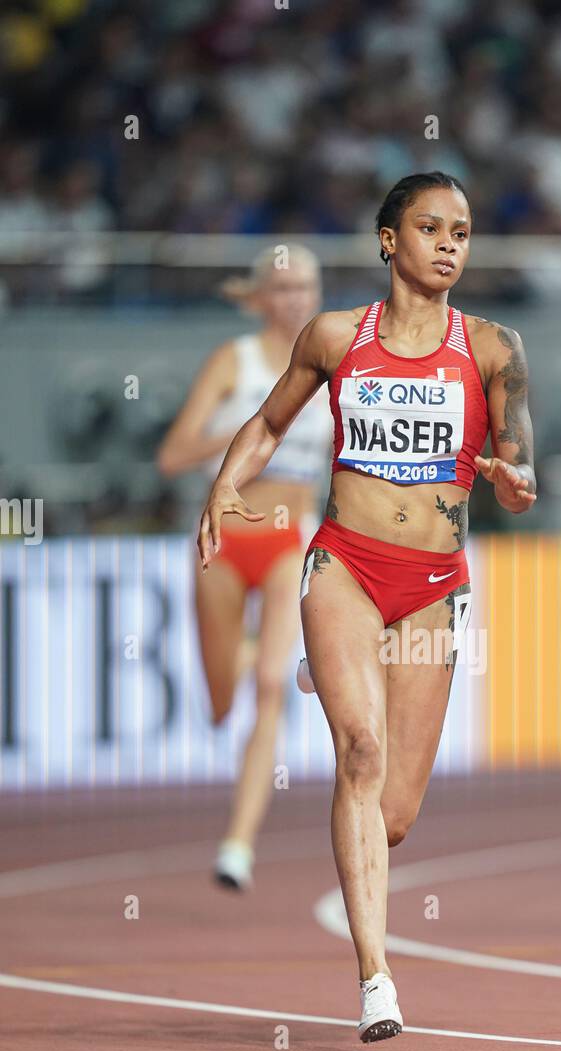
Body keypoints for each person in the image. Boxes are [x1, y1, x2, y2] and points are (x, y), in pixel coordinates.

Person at [198, 171, 537, 1040]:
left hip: (432, 586)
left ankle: (333, 675)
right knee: (359, 751)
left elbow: (520, 455)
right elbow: (271, 422)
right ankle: (375, 978)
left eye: (462, 230)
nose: (451, 244)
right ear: (390, 240)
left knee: (391, 814)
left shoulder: (495, 347)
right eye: (431, 228)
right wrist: (224, 487)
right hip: (345, 563)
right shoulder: (336, 336)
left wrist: (517, 478)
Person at [159, 245, 332, 890]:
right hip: (223, 540)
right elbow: (173, 456)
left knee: (268, 687)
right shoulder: (234, 361)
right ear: (261, 296)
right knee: (222, 699)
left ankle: (238, 845)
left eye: (306, 287)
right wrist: (244, 428)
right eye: (283, 288)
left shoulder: (332, 366)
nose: (295, 299)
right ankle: (241, 658)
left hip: (292, 540)